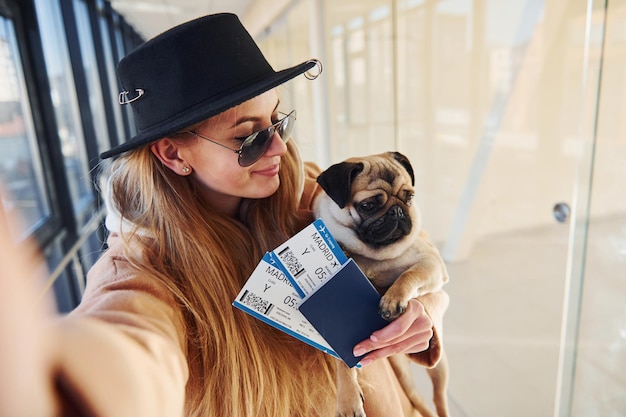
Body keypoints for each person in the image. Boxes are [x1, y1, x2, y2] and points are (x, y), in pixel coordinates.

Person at [0, 13, 448, 417]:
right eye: (249, 138)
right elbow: (134, 342)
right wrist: (48, 381)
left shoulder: (312, 192)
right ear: (174, 154)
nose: (279, 148)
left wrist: (422, 309)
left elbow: (417, 254)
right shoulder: (143, 269)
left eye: (279, 122)